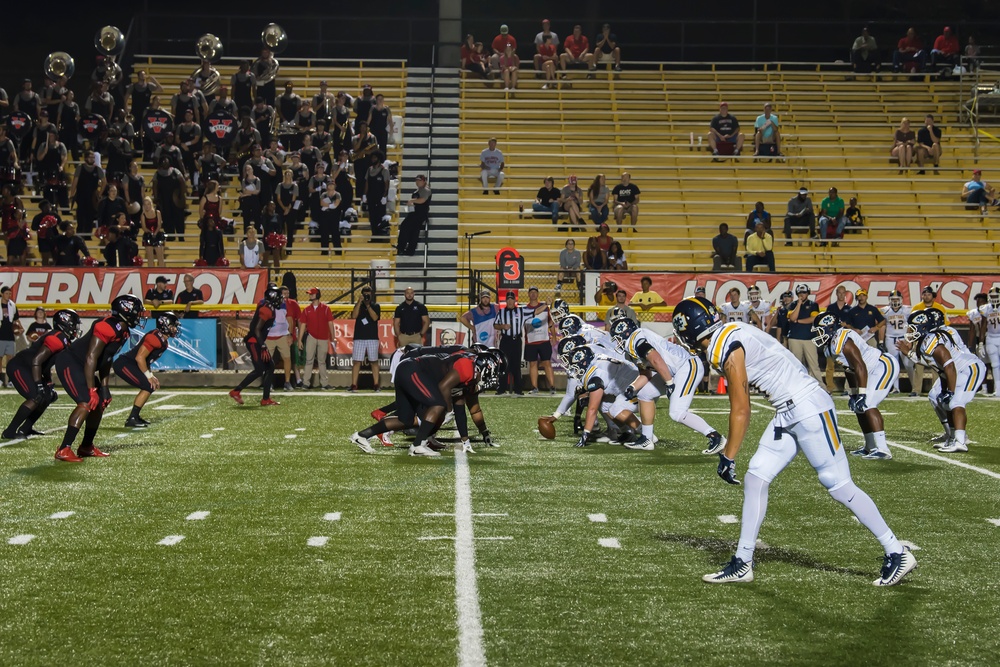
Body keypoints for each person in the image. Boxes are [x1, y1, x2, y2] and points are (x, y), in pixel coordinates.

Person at [670, 297, 917, 587]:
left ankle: (896, 551)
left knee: (837, 484)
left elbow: (741, 408)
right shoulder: (730, 332)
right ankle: (742, 562)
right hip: (787, 409)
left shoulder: (726, 345)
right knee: (756, 478)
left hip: (807, 407)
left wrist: (728, 454)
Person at [351, 348, 500, 456]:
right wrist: (448, 410)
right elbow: (443, 387)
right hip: (412, 369)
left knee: (406, 419)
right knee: (439, 404)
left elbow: (459, 406)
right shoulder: (467, 367)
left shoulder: (468, 374)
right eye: (492, 374)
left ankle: (361, 436)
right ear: (486, 367)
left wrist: (465, 440)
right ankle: (418, 445)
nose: (491, 379)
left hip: (408, 370)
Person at [610, 317, 725, 450]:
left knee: (677, 412)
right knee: (644, 394)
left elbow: (656, 359)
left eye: (618, 338)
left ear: (624, 333)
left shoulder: (635, 340)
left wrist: (669, 383)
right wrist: (633, 387)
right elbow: (646, 373)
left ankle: (715, 437)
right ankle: (646, 439)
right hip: (673, 370)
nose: (617, 343)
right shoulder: (634, 344)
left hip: (686, 366)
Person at [53, 295, 144, 462]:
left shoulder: (123, 331)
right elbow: (91, 357)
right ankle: (64, 448)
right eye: (137, 312)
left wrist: (104, 388)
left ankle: (86, 446)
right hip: (71, 363)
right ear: (126, 311)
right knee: (87, 401)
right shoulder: (106, 326)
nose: (139, 316)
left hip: (84, 366)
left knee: (99, 404)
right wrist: (91, 389)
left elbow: (105, 359)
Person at [898, 311, 985, 453]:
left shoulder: (931, 340)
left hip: (969, 369)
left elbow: (949, 366)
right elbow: (940, 369)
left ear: (923, 328)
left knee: (955, 402)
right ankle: (951, 438)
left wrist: (950, 391)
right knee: (943, 401)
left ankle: (961, 441)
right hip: (955, 371)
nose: (908, 331)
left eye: (912, 328)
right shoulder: (924, 342)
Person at [813, 314, 897, 459]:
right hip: (868, 370)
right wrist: (854, 393)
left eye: (821, 330)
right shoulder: (831, 346)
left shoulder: (843, 339)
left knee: (868, 403)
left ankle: (883, 449)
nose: (818, 334)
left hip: (882, 366)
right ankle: (870, 446)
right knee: (859, 407)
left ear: (830, 328)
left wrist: (862, 393)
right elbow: (849, 369)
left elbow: (859, 365)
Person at [2, 309, 81, 439]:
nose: (75, 329)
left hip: (30, 367)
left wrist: (48, 383)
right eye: (74, 325)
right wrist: (39, 384)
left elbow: (45, 364)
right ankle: (9, 431)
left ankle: (25, 428)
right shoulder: (57, 338)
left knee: (47, 396)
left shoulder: (63, 339)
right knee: (36, 396)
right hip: (20, 366)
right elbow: (37, 360)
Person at [114, 312, 179, 428]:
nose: (175, 328)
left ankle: (135, 417)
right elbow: (140, 358)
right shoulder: (154, 338)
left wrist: (151, 375)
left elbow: (147, 360)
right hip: (125, 364)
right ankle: (132, 418)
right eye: (173, 325)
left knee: (150, 385)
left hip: (133, 364)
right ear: (165, 325)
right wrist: (148, 376)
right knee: (147, 386)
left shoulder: (163, 341)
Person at [229, 285, 282, 407]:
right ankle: (236, 391)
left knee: (270, 367)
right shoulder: (267, 309)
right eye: (279, 297)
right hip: (254, 342)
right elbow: (257, 329)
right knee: (260, 370)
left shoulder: (267, 306)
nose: (281, 299)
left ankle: (266, 399)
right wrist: (263, 346)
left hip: (257, 341)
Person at [910, 285, 950, 396]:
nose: (926, 296)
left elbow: (945, 324)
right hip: (920, 338)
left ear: (933, 296)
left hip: (935, 338)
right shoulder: (917, 307)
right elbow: (912, 325)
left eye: (928, 294)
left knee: (936, 364)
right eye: (924, 294)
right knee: (918, 364)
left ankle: (936, 389)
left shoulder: (940, 308)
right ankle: (916, 390)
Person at [297, 287, 335, 390]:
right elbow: (303, 325)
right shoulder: (306, 310)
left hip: (323, 338)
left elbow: (330, 324)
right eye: (310, 294)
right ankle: (306, 383)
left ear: (317, 295)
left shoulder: (326, 308)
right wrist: (300, 339)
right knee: (309, 360)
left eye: (312, 294)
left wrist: (333, 338)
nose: (310, 295)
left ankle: (324, 383)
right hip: (311, 337)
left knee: (321, 361)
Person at [786, 284, 823, 384]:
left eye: (804, 292)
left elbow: (814, 319)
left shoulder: (813, 304)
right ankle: (796, 385)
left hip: (809, 338)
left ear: (808, 293)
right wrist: (798, 304)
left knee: (814, 365)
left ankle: (820, 386)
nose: (802, 294)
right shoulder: (793, 305)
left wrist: (798, 321)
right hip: (795, 338)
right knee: (796, 364)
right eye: (800, 293)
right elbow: (792, 318)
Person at [522, 287, 555, 394]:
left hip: (544, 340)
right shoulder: (524, 309)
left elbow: (551, 323)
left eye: (535, 292)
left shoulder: (545, 308)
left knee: (547, 363)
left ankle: (552, 386)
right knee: (533, 364)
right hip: (531, 341)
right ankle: (534, 387)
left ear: (537, 294)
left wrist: (553, 336)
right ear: (528, 294)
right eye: (531, 292)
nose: (533, 294)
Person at [266, 285, 300, 392]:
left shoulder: (284, 304)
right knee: (268, 361)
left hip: (282, 335)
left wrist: (290, 334)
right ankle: (268, 383)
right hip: (269, 336)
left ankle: (287, 382)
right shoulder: (265, 303)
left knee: (287, 358)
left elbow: (290, 320)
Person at [349, 285, 382, 392]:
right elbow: (354, 316)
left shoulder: (375, 306)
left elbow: (375, 318)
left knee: (374, 362)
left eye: (368, 294)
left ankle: (376, 384)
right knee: (357, 362)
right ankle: (354, 385)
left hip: (372, 337)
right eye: (365, 294)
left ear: (372, 295)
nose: (367, 296)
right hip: (359, 337)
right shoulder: (358, 305)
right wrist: (359, 302)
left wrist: (368, 306)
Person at [882, 290, 914, 394]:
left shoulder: (907, 310)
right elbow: (882, 325)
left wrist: (909, 339)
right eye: (893, 299)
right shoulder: (885, 311)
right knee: (894, 363)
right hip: (891, 339)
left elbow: (911, 326)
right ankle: (896, 388)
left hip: (904, 338)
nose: (895, 301)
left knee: (908, 363)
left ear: (901, 300)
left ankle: (915, 386)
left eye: (897, 299)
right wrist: (881, 341)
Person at [494, 291, 524, 395]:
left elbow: (533, 313)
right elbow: (495, 325)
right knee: (504, 364)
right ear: (506, 300)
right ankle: (502, 389)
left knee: (516, 365)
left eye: (512, 299)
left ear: (515, 300)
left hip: (516, 340)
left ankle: (518, 390)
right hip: (506, 340)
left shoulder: (521, 311)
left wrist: (547, 305)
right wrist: (502, 326)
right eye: (508, 299)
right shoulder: (501, 312)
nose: (510, 301)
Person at [397, 174, 432, 256]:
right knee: (414, 232)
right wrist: (410, 207)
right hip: (414, 213)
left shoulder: (426, 190)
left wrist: (412, 201)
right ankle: (409, 250)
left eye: (419, 180)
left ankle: (401, 247)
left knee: (404, 227)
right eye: (416, 180)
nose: (417, 182)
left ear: (424, 181)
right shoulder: (417, 191)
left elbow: (422, 200)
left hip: (419, 214)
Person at [976, 288, 1000, 398]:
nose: (994, 299)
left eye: (996, 296)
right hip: (990, 337)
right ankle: (998, 390)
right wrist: (981, 343)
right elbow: (983, 326)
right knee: (995, 365)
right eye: (993, 296)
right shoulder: (985, 309)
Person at [0, 285, 21, 387]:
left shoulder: (12, 305)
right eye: (6, 293)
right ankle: (0, 379)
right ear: (2, 294)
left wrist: (20, 328)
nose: (8, 295)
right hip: (0, 334)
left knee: (10, 359)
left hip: (10, 335)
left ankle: (10, 380)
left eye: (9, 293)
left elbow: (16, 319)